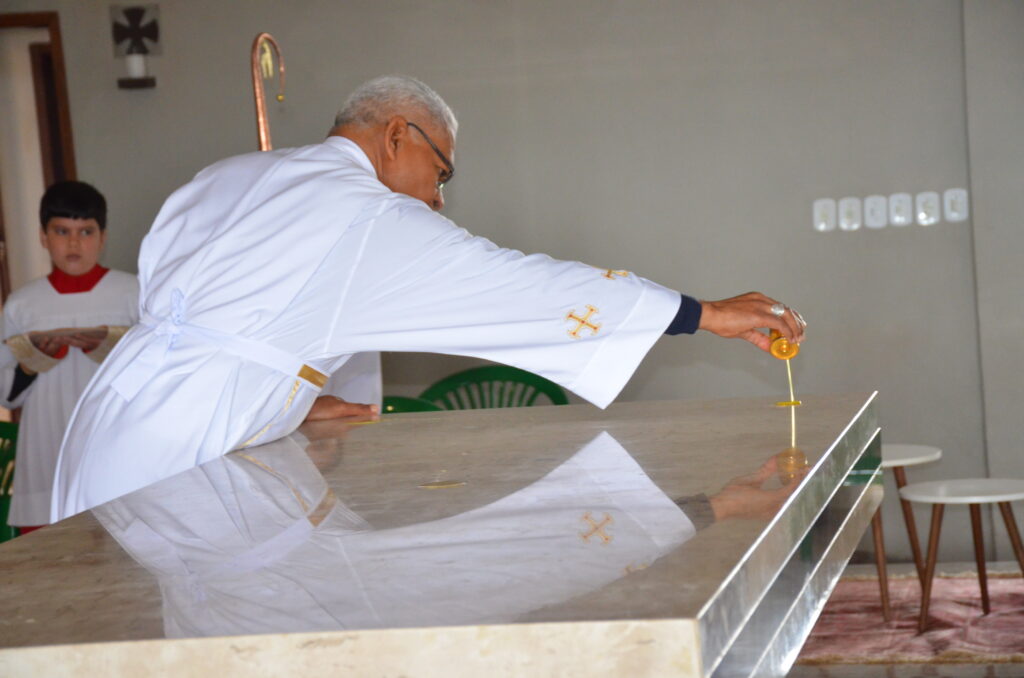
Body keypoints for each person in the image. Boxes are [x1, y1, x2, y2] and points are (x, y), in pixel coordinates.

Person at [50, 75, 805, 522]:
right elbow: (519, 286)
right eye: (443, 172)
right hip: (177, 460)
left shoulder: (230, 174)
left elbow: (215, 325)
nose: (439, 199)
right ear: (397, 136)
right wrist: (701, 312)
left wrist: (280, 398)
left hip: (109, 425)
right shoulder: (366, 212)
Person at [0, 181, 139, 531]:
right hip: (48, 442)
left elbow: (160, 372)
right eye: (62, 231)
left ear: (103, 236)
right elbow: (4, 389)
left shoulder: (132, 293)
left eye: (86, 231)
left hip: (116, 440)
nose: (74, 243)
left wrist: (107, 346)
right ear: (43, 237)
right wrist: (30, 365)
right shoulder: (23, 303)